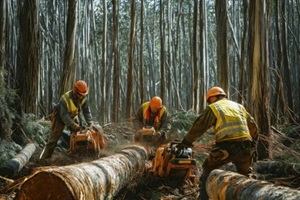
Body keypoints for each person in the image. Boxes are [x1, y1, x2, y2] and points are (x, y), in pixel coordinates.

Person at [177, 86, 258, 200]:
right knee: (246, 175)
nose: (209, 102)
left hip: (226, 147)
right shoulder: (239, 106)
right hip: (246, 146)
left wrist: (186, 142)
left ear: (213, 98)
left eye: (209, 100)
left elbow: (199, 126)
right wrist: (253, 143)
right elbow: (253, 126)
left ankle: (204, 197)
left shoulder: (214, 107)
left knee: (208, 169)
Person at [40, 80, 97, 159]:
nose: (81, 97)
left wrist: (90, 123)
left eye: (83, 95)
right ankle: (44, 159)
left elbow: (86, 111)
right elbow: (65, 116)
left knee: (78, 135)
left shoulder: (83, 98)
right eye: (79, 95)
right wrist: (74, 126)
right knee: (53, 139)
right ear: (75, 90)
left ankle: (76, 154)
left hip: (73, 115)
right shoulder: (64, 99)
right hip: (60, 117)